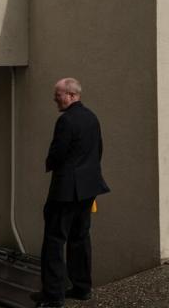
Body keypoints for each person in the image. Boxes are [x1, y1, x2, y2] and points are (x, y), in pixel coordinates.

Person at [35, 78, 110, 308]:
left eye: (58, 94)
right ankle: (82, 287)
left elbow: (58, 153)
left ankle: (54, 296)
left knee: (54, 241)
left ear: (71, 95)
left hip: (66, 191)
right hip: (88, 189)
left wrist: (49, 163)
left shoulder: (66, 120)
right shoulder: (92, 117)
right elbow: (98, 150)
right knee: (80, 238)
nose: (54, 98)